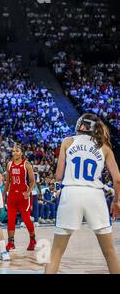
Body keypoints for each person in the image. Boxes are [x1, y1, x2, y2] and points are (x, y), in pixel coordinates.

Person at [45, 114, 120, 274]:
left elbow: (58, 176)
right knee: (110, 252)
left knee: (56, 252)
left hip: (71, 193)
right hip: (94, 195)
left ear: (79, 126)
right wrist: (116, 201)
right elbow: (118, 180)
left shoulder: (68, 142)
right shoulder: (105, 147)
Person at [3, 145, 36, 251]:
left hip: (23, 195)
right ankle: (11, 243)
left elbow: (32, 181)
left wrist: (28, 192)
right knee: (11, 220)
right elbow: (7, 182)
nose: (14, 153)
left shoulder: (27, 165)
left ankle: (32, 239)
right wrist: (4, 194)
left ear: (21, 153)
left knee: (26, 219)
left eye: (17, 151)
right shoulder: (9, 164)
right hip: (12, 195)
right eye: (13, 151)